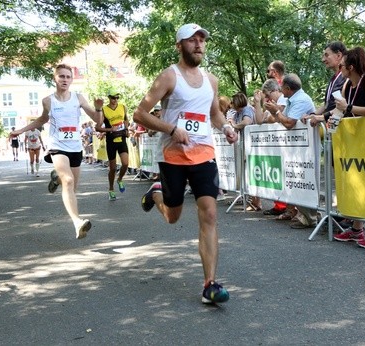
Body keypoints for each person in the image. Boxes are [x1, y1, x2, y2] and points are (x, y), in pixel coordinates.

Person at [133, 23, 238, 304]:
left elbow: (213, 113)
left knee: (210, 215)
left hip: (203, 153)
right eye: (192, 40)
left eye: (202, 40)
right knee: (172, 216)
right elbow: (139, 114)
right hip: (173, 156)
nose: (199, 44)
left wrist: (226, 127)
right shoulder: (169, 77)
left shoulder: (211, 80)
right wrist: (170, 129)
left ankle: (210, 285)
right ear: (180, 45)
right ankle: (156, 193)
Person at [10, 64, 103, 240]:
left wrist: (98, 109)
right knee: (68, 181)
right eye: (61, 76)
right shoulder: (48, 101)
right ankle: (77, 222)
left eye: (68, 77)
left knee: (72, 187)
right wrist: (21, 130)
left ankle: (56, 178)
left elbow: (97, 121)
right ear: (55, 78)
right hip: (57, 145)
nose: (65, 80)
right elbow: (42, 120)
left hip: (75, 147)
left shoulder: (78, 98)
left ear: (72, 80)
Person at [328, 47, 365, 245]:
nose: (340, 69)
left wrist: (349, 108)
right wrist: (330, 125)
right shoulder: (347, 85)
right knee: (357, 184)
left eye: (342, 65)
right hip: (354, 141)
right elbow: (339, 109)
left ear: (350, 67)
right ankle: (356, 229)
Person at [267, 74, 317, 228]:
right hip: (296, 148)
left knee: (304, 180)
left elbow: (288, 123)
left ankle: (310, 218)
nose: (280, 91)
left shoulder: (300, 99)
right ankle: (303, 214)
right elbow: (281, 119)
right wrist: (276, 112)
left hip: (306, 149)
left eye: (282, 88)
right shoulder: (291, 100)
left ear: (288, 88)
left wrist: (276, 112)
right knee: (297, 180)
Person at [263, 61, 288, 216]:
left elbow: (278, 115)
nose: (268, 73)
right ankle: (279, 204)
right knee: (277, 168)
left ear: (276, 71)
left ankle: (286, 205)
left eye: (270, 70)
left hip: (286, 135)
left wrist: (274, 114)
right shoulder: (270, 88)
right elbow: (267, 117)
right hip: (277, 136)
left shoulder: (284, 86)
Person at [302, 41, 347, 126]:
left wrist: (322, 117)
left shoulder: (346, 78)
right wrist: (313, 114)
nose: (323, 60)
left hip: (342, 125)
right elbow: (327, 104)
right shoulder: (333, 79)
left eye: (326, 55)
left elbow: (341, 108)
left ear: (338, 55)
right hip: (333, 125)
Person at [228, 92, 261, 211]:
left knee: (251, 172)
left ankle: (256, 201)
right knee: (246, 173)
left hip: (250, 145)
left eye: (233, 102)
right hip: (242, 145)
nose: (231, 104)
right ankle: (251, 199)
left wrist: (235, 125)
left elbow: (246, 122)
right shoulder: (237, 113)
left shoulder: (246, 110)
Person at [95, 88, 129, 201]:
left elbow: (126, 120)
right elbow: (97, 127)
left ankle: (119, 179)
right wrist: (110, 129)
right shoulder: (104, 110)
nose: (115, 100)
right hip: (111, 141)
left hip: (122, 139)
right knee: (113, 168)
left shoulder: (123, 107)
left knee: (125, 164)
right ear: (109, 98)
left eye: (117, 97)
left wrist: (127, 128)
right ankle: (111, 189)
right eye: (113, 97)